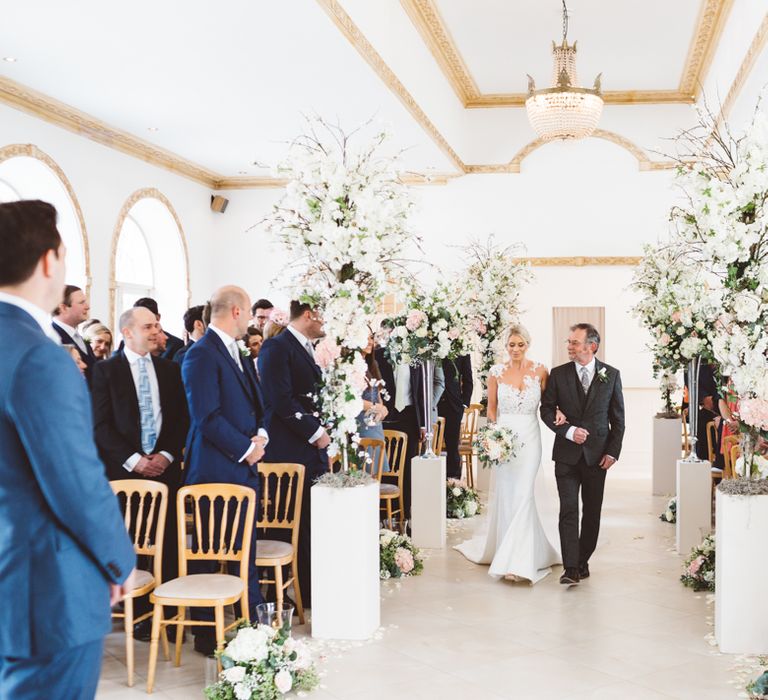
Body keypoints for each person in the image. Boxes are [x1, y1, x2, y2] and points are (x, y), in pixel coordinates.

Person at [0, 199, 136, 699]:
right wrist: (119, 559)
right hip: (45, 588)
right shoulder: (39, 354)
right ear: (49, 261)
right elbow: (75, 480)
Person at [91, 306, 189, 639]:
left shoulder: (170, 369)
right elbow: (100, 425)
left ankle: (171, 614)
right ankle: (137, 614)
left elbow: (181, 420)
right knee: (130, 543)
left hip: (165, 470)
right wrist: (135, 460)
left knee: (169, 542)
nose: (155, 331)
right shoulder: (105, 372)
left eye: (158, 326)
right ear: (127, 332)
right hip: (124, 474)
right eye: (148, 326)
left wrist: (165, 454)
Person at [181, 285, 267, 655]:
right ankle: (206, 632)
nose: (250, 321)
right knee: (207, 553)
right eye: (248, 313)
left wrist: (261, 433)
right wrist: (246, 448)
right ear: (236, 311)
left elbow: (254, 405)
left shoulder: (237, 353)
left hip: (243, 468)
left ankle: (250, 627)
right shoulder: (200, 355)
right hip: (214, 472)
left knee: (243, 552)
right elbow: (206, 417)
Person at [455, 325, 560, 583]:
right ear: (506, 346)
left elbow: (548, 405)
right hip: (504, 439)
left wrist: (560, 413)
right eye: (512, 345)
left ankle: (520, 562)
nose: (515, 349)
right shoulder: (496, 373)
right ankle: (511, 552)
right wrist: (494, 437)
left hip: (531, 438)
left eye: (520, 345)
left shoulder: (540, 371)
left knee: (525, 493)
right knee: (510, 494)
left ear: (527, 345)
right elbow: (491, 409)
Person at [540, 323, 625, 585]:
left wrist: (613, 453)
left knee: (592, 512)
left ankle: (582, 559)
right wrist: (567, 431)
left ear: (592, 346)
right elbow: (546, 409)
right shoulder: (558, 374)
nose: (569, 347)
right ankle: (570, 568)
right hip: (566, 455)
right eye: (568, 342)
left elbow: (618, 419)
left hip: (596, 458)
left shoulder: (611, 375)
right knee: (568, 510)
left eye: (575, 343)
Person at [258, 301, 329, 608]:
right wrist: (315, 432)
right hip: (287, 452)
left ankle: (309, 589)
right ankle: (278, 596)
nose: (326, 323)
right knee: (287, 525)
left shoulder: (306, 348)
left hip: (308, 451)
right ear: (309, 314)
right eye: (323, 315)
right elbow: (282, 401)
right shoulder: (276, 348)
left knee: (309, 524)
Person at [438, 354, 473, 479]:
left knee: (452, 447)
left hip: (453, 406)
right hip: (433, 404)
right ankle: (434, 482)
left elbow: (468, 380)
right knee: (431, 447)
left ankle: (454, 484)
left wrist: (463, 404)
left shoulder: (462, 349)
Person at [357, 334, 389, 470]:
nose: (370, 342)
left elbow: (377, 394)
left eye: (372, 338)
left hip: (376, 425)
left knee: (377, 474)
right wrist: (377, 407)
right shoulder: (351, 366)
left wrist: (382, 408)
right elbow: (353, 400)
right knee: (366, 473)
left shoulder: (372, 364)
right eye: (367, 337)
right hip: (361, 424)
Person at [52, 284, 97, 377]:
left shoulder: (78, 336)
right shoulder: (52, 337)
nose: (88, 307)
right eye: (81, 302)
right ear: (63, 308)